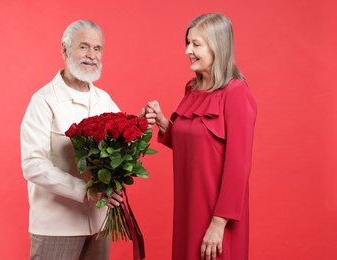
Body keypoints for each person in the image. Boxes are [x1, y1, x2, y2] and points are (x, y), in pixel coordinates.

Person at [146, 13, 257, 260]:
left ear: (218, 46)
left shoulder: (236, 92)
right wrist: (164, 122)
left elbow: (239, 165)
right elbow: (197, 145)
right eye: (188, 43)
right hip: (188, 207)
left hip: (218, 215)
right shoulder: (192, 89)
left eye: (196, 44)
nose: (188, 50)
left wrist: (218, 223)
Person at [20, 20, 125, 260]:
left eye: (97, 49)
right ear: (65, 50)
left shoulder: (104, 99)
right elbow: (32, 164)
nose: (92, 55)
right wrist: (86, 191)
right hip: (57, 227)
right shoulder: (43, 100)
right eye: (84, 47)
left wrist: (142, 122)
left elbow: (123, 146)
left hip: (99, 226)